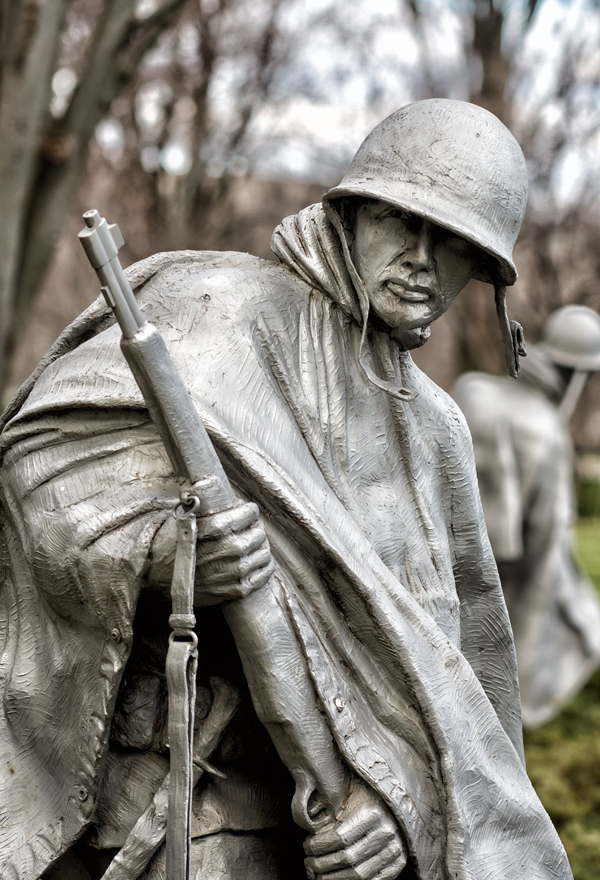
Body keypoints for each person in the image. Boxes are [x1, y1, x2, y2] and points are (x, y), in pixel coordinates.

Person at [0, 99, 573, 880]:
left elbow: (450, 687)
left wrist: (399, 808)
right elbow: (43, 487)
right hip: (172, 795)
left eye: (457, 246)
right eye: (405, 223)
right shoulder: (211, 310)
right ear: (354, 212)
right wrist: (169, 551)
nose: (423, 261)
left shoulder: (437, 430)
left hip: (314, 837)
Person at [453, 304, 600, 727]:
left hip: (448, 553)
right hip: (505, 564)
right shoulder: (549, 432)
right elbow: (546, 552)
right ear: (578, 373)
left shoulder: (471, 388)